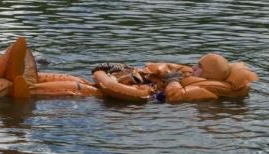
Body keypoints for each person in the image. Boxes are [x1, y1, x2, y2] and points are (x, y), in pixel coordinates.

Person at [91, 53, 258, 103]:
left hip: (148, 100)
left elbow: (176, 96)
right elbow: (165, 68)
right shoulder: (191, 75)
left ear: (209, 74)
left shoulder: (207, 91)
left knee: (87, 92)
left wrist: (172, 80)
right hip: (146, 90)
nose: (193, 67)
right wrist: (126, 69)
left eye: (199, 66)